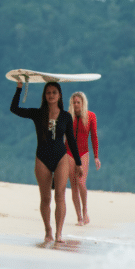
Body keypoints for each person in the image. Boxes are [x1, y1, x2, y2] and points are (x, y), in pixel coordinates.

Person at [10, 80, 82, 244]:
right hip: (42, 158)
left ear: (59, 95)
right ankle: (48, 230)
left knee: (60, 196)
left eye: (54, 92)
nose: (51, 95)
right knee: (45, 198)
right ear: (45, 95)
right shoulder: (38, 113)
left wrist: (78, 163)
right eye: (48, 92)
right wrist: (19, 88)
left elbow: (71, 140)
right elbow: (14, 109)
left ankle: (58, 233)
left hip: (61, 158)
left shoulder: (66, 116)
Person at [66, 91, 100, 225]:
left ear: (83, 103)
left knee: (81, 183)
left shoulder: (91, 116)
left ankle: (85, 210)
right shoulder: (68, 116)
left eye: (78, 102)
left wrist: (96, 157)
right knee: (73, 185)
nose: (75, 105)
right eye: (73, 102)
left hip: (83, 153)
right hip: (69, 152)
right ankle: (79, 217)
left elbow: (94, 137)